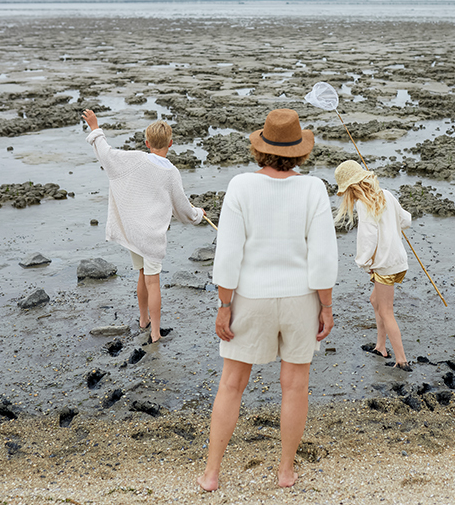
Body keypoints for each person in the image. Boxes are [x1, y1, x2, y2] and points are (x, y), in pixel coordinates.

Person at [198, 108, 337, 492]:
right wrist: (326, 305)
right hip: (301, 299)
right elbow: (322, 256)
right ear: (299, 152)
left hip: (250, 298)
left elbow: (228, 255)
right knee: (294, 386)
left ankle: (211, 474)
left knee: (231, 385)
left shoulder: (241, 185)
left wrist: (224, 304)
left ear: (261, 148)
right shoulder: (313, 188)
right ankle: (286, 471)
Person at [82, 109, 204, 344]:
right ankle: (156, 333)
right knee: (153, 281)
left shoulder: (134, 159)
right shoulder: (171, 172)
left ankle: (143, 319)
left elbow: (106, 154)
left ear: (147, 143)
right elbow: (183, 209)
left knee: (142, 274)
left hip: (133, 232)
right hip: (151, 236)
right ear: (171, 143)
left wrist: (95, 127)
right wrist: (199, 214)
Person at [334, 159, 412, 371]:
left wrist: (363, 262)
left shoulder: (363, 204)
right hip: (398, 262)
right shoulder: (387, 194)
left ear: (352, 188)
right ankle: (380, 346)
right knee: (374, 300)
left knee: (386, 311)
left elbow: (368, 237)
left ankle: (401, 359)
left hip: (384, 266)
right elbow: (406, 220)